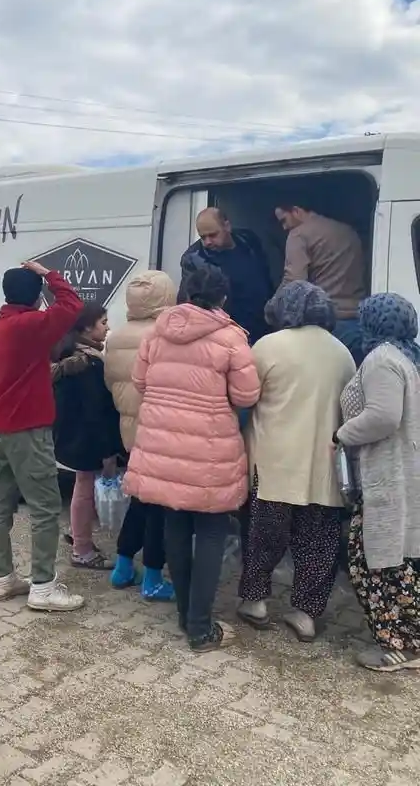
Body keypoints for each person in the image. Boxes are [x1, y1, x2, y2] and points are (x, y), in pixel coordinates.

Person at [124, 264, 260, 652]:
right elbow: (246, 396)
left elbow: (140, 382)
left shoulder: (158, 332)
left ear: (184, 295)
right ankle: (201, 628)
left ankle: (186, 615)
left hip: (164, 448)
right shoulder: (232, 338)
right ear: (223, 298)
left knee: (176, 526)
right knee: (213, 531)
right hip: (210, 450)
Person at [238, 282, 355, 641]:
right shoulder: (343, 354)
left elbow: (245, 397)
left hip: (273, 462)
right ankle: (305, 613)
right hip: (323, 466)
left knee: (263, 536)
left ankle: (255, 602)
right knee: (318, 543)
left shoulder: (269, 346)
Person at [0, 260, 84, 613]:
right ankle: (43, 586)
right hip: (27, 429)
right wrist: (49, 273)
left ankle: (1, 578)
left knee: (0, 505)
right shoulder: (33, 325)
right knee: (45, 507)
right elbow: (72, 305)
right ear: (36, 296)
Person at [335, 293, 420, 672]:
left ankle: (402, 645)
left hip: (388, 471)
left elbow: (384, 417)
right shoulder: (409, 354)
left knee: (375, 559)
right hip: (403, 469)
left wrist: (341, 434)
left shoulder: (382, 359)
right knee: (397, 555)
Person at [104, 270, 178, 600]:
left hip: (130, 431)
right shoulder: (165, 335)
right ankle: (152, 578)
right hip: (159, 435)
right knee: (158, 508)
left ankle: (122, 567)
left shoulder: (116, 336)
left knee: (139, 501)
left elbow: (112, 384)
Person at [51, 303, 123, 570]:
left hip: (70, 432)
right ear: (86, 327)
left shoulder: (68, 353)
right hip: (85, 436)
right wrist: (107, 450)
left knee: (83, 485)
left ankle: (77, 532)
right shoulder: (88, 363)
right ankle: (82, 549)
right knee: (84, 486)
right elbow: (96, 411)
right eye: (103, 322)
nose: (108, 328)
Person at [274, 201, 366, 364]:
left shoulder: (299, 234)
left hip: (328, 324)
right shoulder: (348, 231)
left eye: (284, 220)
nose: (283, 228)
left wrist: (271, 308)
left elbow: (294, 282)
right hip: (357, 320)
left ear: (296, 210)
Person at [179, 208, 273, 345]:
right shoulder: (193, 259)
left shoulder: (248, 240)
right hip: (229, 333)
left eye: (213, 235)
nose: (207, 242)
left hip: (261, 324)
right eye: (203, 237)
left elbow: (264, 274)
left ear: (227, 226)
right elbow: (187, 304)